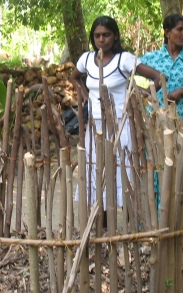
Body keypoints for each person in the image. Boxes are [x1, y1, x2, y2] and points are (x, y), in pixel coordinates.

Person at [71, 16, 163, 207]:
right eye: (97, 36)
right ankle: (101, 228)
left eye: (106, 35)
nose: (101, 40)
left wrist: (140, 94)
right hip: (95, 127)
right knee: (96, 175)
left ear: (115, 36)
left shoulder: (124, 59)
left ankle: (127, 227)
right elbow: (75, 77)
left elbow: (158, 77)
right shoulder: (87, 59)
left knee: (123, 175)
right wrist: (87, 98)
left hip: (120, 126)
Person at [139, 13, 183, 160]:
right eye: (180, 29)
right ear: (167, 32)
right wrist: (143, 92)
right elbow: (125, 73)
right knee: (159, 166)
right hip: (158, 121)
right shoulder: (151, 58)